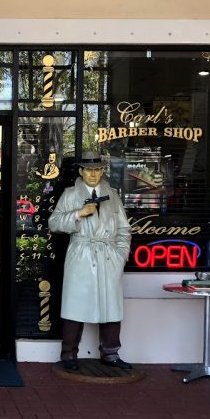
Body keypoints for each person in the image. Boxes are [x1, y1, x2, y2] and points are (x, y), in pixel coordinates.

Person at [48, 151, 133, 371]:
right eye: (88, 170)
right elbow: (54, 222)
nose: (93, 174)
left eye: (97, 170)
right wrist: (78, 213)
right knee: (75, 304)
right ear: (81, 171)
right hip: (81, 253)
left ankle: (111, 353)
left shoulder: (112, 195)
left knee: (111, 306)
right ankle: (68, 354)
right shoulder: (69, 195)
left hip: (107, 255)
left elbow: (124, 229)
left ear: (103, 171)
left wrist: (120, 255)